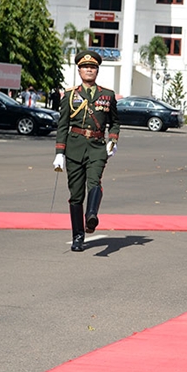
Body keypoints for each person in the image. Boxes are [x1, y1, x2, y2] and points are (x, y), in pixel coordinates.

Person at [53, 50, 119, 252]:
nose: (89, 70)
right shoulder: (70, 95)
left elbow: (114, 122)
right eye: (85, 67)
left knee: (95, 181)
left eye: (92, 67)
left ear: (97, 71)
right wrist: (59, 152)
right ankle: (78, 237)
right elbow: (63, 125)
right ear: (79, 70)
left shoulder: (107, 95)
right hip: (74, 147)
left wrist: (113, 140)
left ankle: (91, 216)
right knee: (75, 195)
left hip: (97, 147)